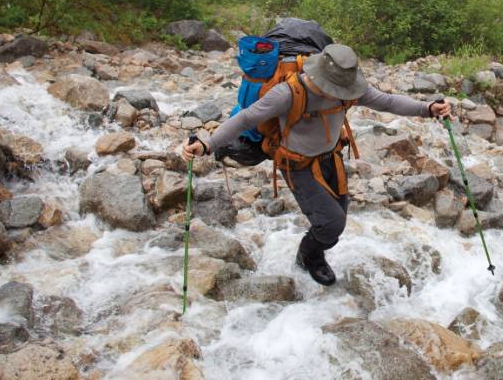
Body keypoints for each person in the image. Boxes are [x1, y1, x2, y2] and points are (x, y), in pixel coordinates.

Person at [182, 43, 450, 285]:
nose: (339, 93)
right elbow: (245, 119)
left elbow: (388, 102)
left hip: (331, 158)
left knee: (336, 221)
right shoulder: (288, 93)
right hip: (297, 166)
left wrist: (427, 108)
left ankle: (315, 249)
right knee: (333, 224)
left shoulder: (349, 88)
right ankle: (308, 257)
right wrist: (207, 145)